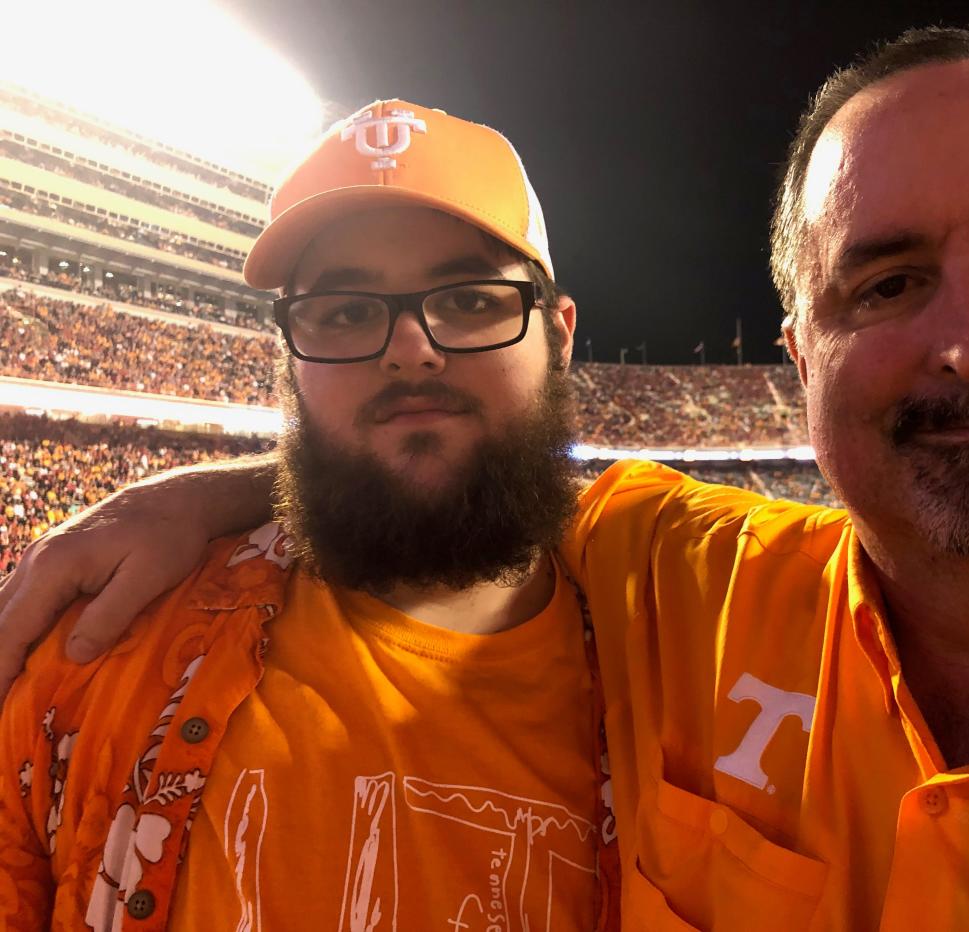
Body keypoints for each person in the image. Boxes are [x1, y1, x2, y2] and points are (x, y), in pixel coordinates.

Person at [3, 25, 969, 930]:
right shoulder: (98, 662)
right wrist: (220, 488)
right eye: (888, 282)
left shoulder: (664, 581)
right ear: (801, 352)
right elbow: (424, 457)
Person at [0, 99, 619, 929]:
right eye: (348, 312)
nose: (412, 348)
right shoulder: (95, 659)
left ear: (561, 333)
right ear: (291, 357)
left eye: (471, 300)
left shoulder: (689, 653)